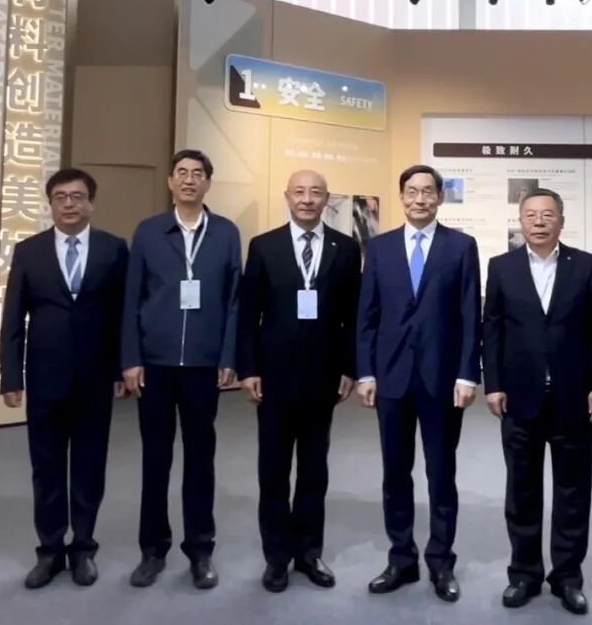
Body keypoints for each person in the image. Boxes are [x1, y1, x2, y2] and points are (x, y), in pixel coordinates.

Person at [482, 188, 592, 616]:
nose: (539, 222)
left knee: (573, 492)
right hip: (519, 397)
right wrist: (493, 384)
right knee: (521, 491)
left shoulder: (586, 266)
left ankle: (567, 578)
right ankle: (523, 574)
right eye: (531, 215)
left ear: (561, 220)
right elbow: (492, 329)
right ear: (520, 221)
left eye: (547, 215)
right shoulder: (501, 267)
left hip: (573, 397)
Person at [356, 164, 481, 603]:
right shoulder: (380, 247)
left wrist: (468, 373)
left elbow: (470, 314)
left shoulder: (461, 246)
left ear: (440, 197)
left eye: (428, 191)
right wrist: (365, 372)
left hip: (442, 380)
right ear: (401, 197)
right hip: (391, 378)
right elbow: (367, 314)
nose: (420, 199)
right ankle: (401, 558)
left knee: (441, 474)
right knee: (395, 473)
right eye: (412, 191)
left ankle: (441, 562)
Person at [0, 168, 129, 589]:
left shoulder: (113, 249)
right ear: (50, 204)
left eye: (77, 196)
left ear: (91, 202)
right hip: (45, 377)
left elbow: (122, 316)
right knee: (47, 468)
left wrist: (121, 368)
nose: (69, 204)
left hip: (95, 377)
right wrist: (11, 376)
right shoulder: (29, 251)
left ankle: (84, 548)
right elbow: (13, 318)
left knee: (90, 466)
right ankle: (50, 550)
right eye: (60, 197)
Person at [121, 149, 241, 590]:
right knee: (155, 459)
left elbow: (234, 300)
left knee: (200, 461)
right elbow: (132, 297)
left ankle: (200, 550)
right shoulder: (149, 232)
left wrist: (228, 356)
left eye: (198, 174)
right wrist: (130, 358)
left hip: (203, 366)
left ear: (208, 183)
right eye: (182, 173)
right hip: (155, 364)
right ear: (170, 181)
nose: (190, 180)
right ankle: (152, 550)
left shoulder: (226, 232)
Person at [237, 169, 362, 593]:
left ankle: (308, 552)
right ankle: (276, 557)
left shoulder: (346, 248)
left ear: (327, 198)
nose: (307, 199)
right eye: (300, 192)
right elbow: (248, 313)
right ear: (287, 196)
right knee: (273, 471)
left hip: (323, 377)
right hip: (272, 377)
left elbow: (353, 315)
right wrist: (248, 368)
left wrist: (349, 367)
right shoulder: (264, 246)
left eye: (316, 193)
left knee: (313, 470)